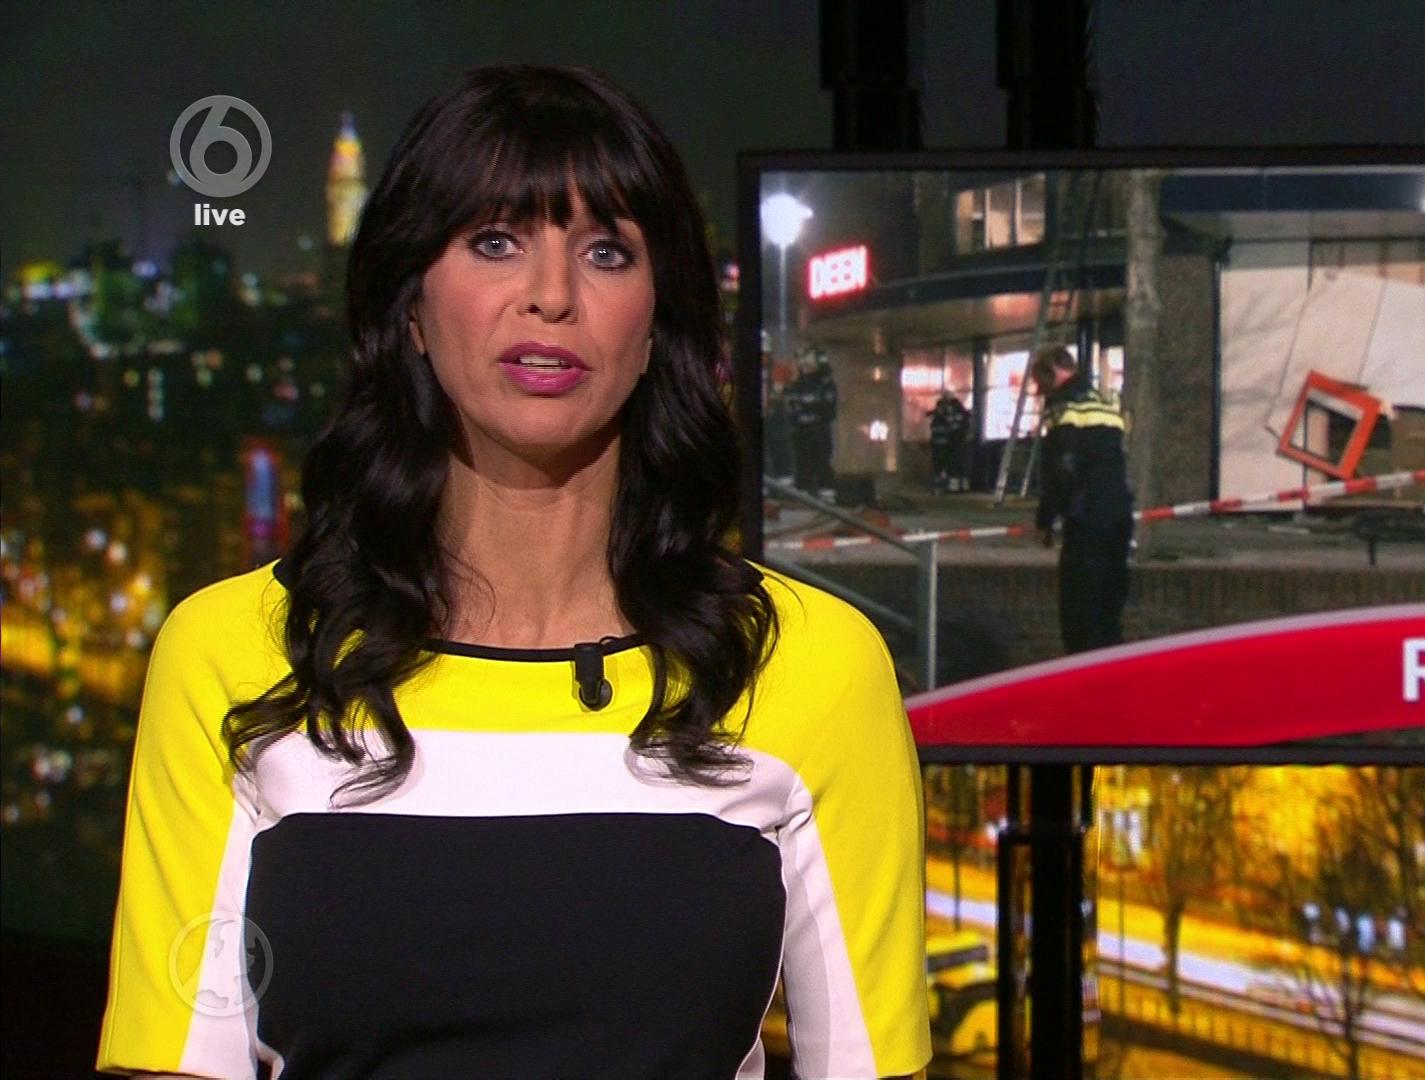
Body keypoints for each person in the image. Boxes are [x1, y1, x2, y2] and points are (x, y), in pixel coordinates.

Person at [97, 64, 930, 1080]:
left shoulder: (809, 664)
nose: (552, 295)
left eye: (607, 251)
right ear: (411, 306)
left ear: (657, 321)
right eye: (495, 241)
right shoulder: (238, 654)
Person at [1030, 345, 1134, 653]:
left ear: (1053, 373)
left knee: (1079, 609)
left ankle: (1080, 670)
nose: (1039, 391)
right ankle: (1111, 668)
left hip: (1086, 518)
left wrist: (1045, 520)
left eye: (1041, 382)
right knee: (1109, 607)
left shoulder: (1063, 408)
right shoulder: (1105, 402)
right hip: (1119, 515)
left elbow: (1058, 472)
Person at [786, 347, 838, 500]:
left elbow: (827, 409)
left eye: (809, 363)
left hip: (819, 431)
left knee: (821, 460)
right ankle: (802, 492)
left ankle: (826, 492)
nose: (805, 366)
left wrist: (808, 404)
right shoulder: (798, 385)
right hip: (801, 431)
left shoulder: (826, 384)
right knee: (802, 462)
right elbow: (792, 407)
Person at [928, 390, 971, 493]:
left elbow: (949, 426)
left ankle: (951, 487)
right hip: (953, 443)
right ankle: (958, 487)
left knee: (950, 465)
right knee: (957, 465)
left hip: (949, 444)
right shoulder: (958, 414)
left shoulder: (946, 416)